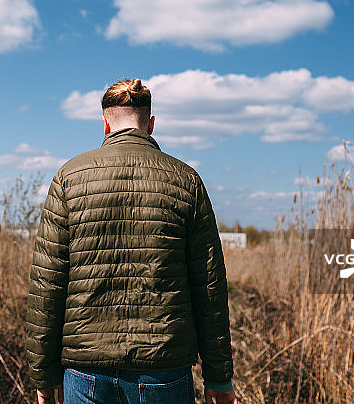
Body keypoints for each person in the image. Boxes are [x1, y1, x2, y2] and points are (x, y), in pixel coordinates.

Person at [26, 78, 237, 404]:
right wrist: (219, 377)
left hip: (85, 368)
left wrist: (44, 374)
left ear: (106, 124)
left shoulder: (68, 178)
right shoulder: (186, 180)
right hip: (163, 366)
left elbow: (47, 284)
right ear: (150, 124)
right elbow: (209, 287)